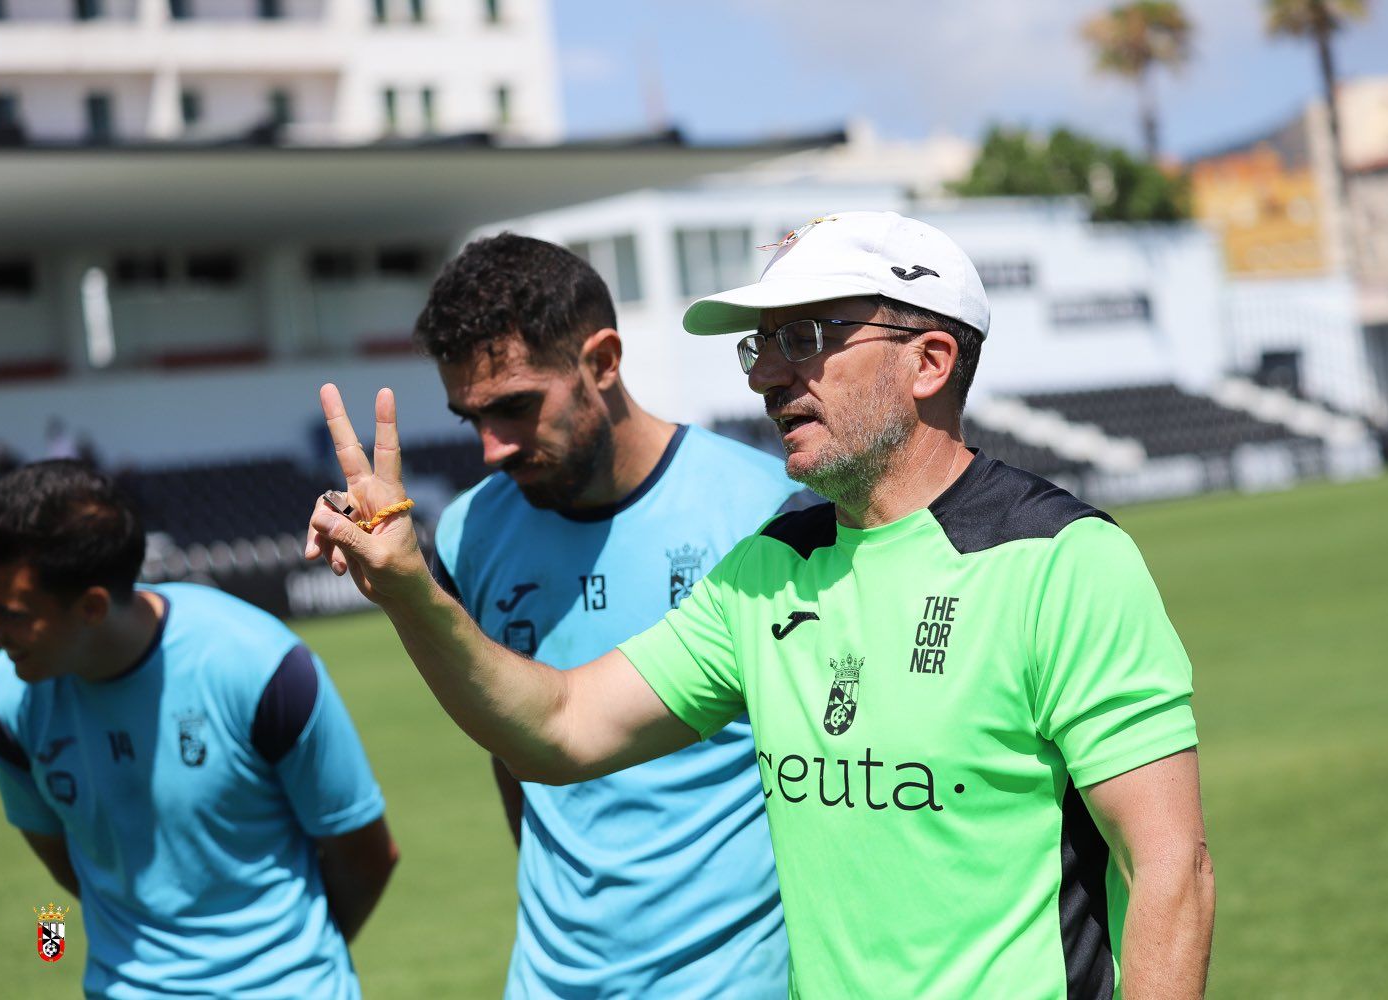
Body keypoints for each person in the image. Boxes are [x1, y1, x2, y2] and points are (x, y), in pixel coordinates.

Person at [307, 211, 1216, 998]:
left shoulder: (1061, 561)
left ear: (931, 360)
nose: (769, 375)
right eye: (762, 345)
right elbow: (562, 728)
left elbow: (1170, 871)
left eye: (807, 338)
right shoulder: (766, 571)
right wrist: (411, 592)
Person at [408, 233, 796, 996]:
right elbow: (514, 750)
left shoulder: (768, 515)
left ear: (604, 360)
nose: (491, 448)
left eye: (515, 407)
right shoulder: (466, 532)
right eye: (470, 419)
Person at [0, 460, 397, 998]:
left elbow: (364, 854)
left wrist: (280, 962)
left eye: (9, 612)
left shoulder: (261, 668)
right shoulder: (3, 700)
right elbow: (64, 857)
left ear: (91, 607)